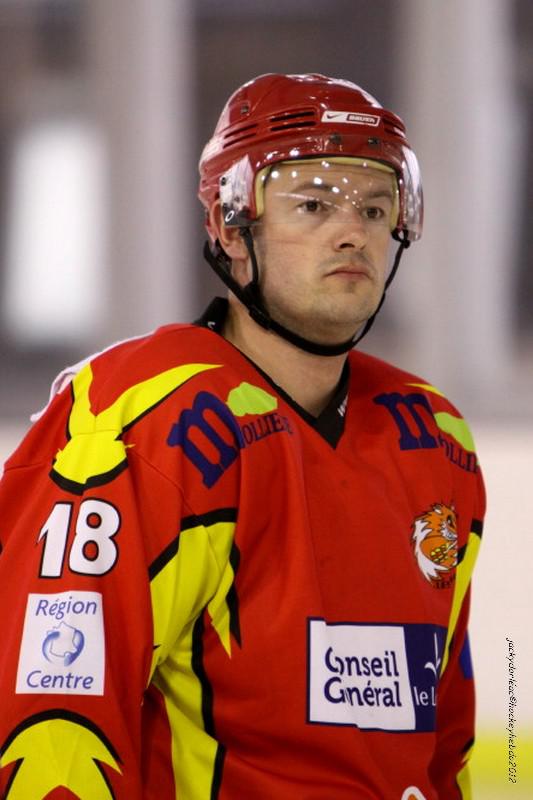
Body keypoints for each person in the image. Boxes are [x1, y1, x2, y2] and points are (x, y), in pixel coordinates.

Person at [0, 73, 484, 800]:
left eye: (375, 207)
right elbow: (52, 716)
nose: (352, 232)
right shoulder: (136, 416)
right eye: (313, 205)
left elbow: (442, 746)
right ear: (231, 227)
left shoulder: (434, 438)